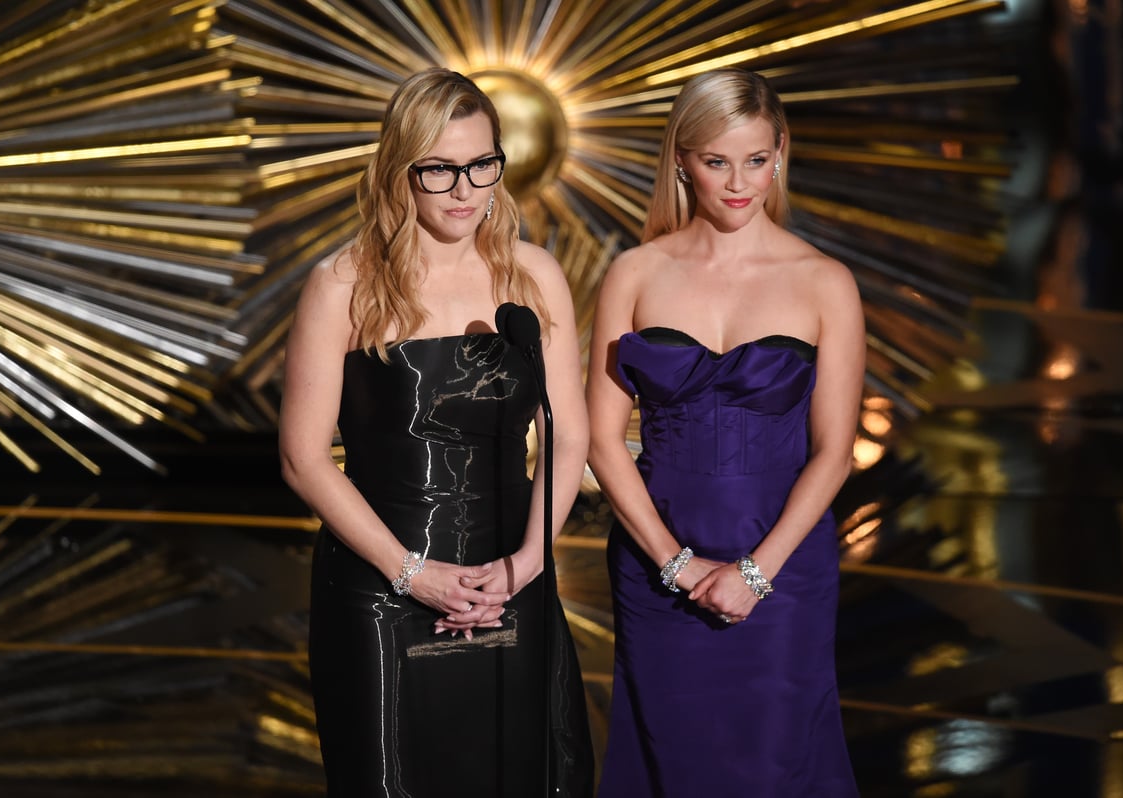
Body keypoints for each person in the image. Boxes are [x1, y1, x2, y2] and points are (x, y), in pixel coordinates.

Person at [279, 67, 595, 798]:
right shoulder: (342, 284)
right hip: (380, 588)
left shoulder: (535, 276)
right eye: (441, 170)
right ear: (399, 169)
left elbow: (569, 437)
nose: (465, 190)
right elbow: (303, 459)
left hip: (509, 578)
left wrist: (524, 566)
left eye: (483, 164)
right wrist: (410, 572)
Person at [585, 67, 864, 797]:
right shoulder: (636, 272)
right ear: (681, 158)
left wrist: (755, 572)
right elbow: (600, 438)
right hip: (655, 568)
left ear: (780, 154)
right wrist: (673, 562)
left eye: (757, 160)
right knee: (664, 762)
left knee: (774, 765)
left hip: (784, 572)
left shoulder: (824, 281)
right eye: (717, 161)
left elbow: (835, 452)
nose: (740, 183)